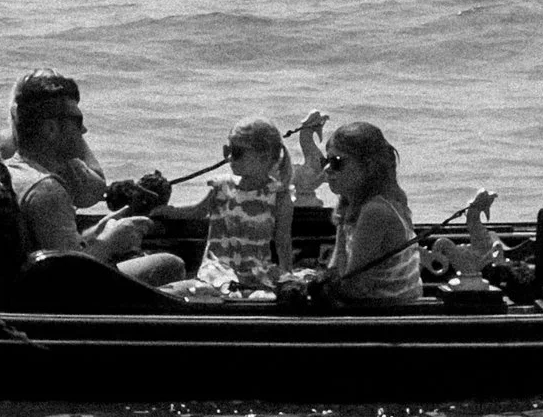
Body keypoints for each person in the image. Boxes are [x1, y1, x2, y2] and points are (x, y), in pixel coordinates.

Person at [5, 68, 183, 286]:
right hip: (59, 300)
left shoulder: (12, 172)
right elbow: (70, 275)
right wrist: (110, 242)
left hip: (25, 288)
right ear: (51, 129)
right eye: (78, 121)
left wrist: (99, 231)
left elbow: (59, 250)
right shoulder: (46, 190)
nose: (85, 131)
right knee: (170, 264)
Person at [288, 112, 421, 305]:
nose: (327, 170)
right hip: (369, 304)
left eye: (337, 162)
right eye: (327, 161)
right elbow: (337, 268)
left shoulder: (376, 211)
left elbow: (356, 283)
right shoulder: (349, 205)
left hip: (390, 313)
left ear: (368, 167)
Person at [179, 117, 293, 297]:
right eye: (227, 150)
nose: (230, 157)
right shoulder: (222, 187)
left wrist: (288, 277)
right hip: (219, 267)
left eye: (237, 152)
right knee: (224, 288)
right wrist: (166, 211)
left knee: (263, 295)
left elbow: (283, 242)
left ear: (264, 157)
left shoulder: (279, 195)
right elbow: (196, 211)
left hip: (256, 271)